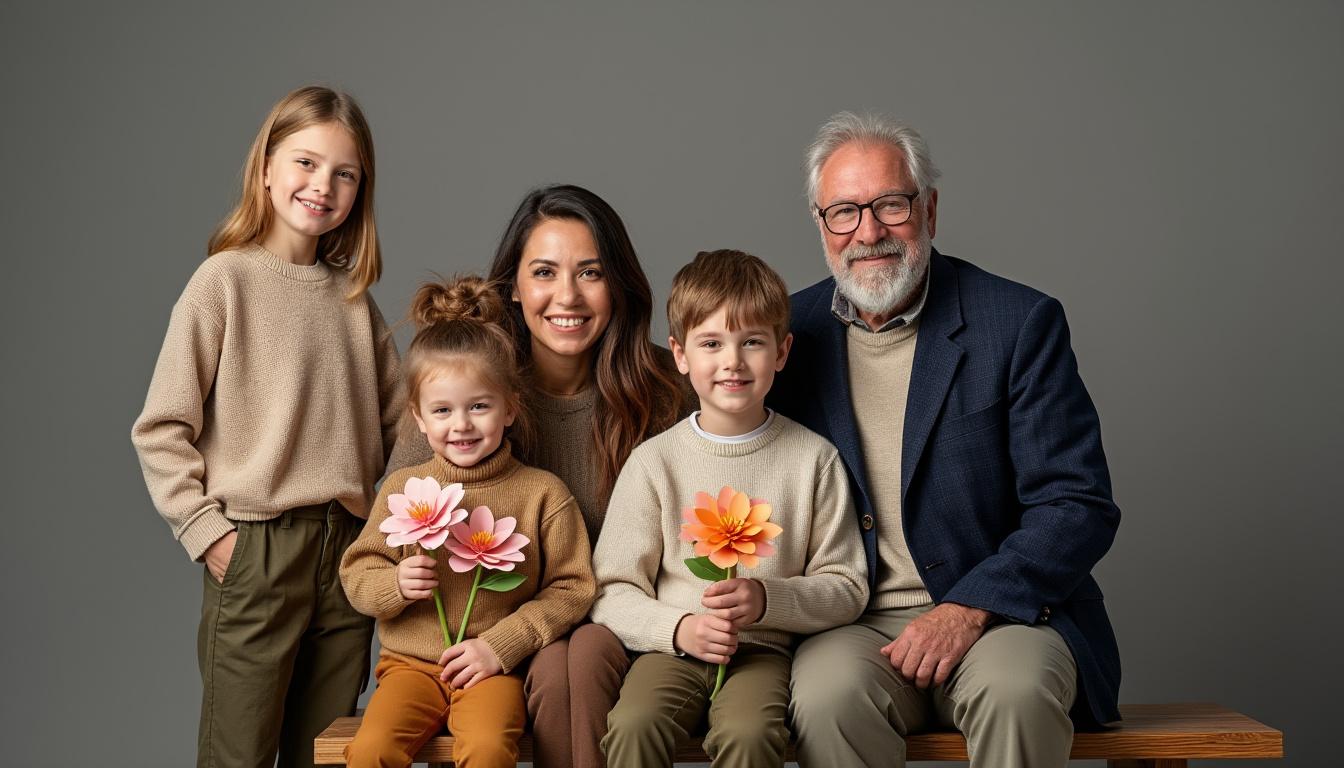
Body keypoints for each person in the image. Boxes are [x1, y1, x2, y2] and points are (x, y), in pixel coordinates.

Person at [771, 112, 1122, 768]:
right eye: (844, 211)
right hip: (849, 625)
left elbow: (1077, 505)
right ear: (821, 226)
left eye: (891, 205)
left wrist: (970, 605)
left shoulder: (1017, 324)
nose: (869, 232)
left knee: (1017, 692)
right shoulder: (787, 334)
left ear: (929, 209)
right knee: (824, 698)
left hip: (1003, 615)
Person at [130, 86, 402, 768]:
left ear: (360, 191)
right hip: (257, 548)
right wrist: (208, 533)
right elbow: (161, 427)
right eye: (306, 163)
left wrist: (384, 528)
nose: (323, 186)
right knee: (238, 752)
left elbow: (411, 429)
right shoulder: (222, 282)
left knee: (327, 752)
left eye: (345, 174)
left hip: (345, 554)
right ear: (267, 170)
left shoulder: (354, 303)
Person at [384, 184, 688, 768]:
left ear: (618, 285)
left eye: (590, 272)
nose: (566, 296)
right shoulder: (464, 392)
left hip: (631, 629)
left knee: (579, 656)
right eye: (544, 272)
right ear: (515, 290)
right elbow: (397, 533)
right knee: (557, 666)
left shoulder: (666, 392)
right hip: (496, 640)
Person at [592, 249, 869, 768]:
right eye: (711, 344)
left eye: (753, 343)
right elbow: (611, 590)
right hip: (669, 648)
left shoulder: (814, 460)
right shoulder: (654, 463)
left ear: (782, 352)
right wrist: (677, 629)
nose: (732, 362)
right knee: (633, 725)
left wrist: (768, 600)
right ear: (680, 355)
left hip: (762, 652)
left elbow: (847, 588)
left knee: (749, 733)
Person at [339, 276, 595, 768]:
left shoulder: (543, 493)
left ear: (510, 408)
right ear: (418, 417)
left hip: (493, 670)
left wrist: (502, 645)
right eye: (442, 410)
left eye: (479, 406)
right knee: (371, 750)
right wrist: (394, 583)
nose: (461, 425)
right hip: (408, 667)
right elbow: (357, 574)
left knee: (488, 747)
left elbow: (573, 588)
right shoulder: (401, 490)